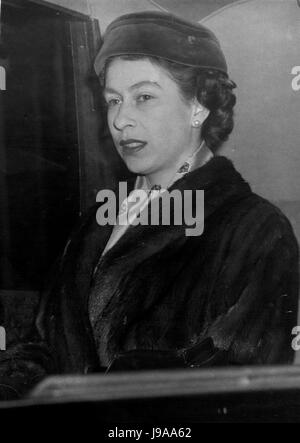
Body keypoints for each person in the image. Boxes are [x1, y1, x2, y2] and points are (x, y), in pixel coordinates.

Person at [0, 11, 299, 397]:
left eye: (143, 97)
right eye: (112, 100)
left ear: (199, 106)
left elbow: (234, 380)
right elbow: (44, 347)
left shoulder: (256, 231)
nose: (121, 119)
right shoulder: (98, 222)